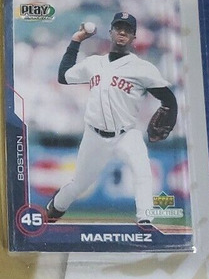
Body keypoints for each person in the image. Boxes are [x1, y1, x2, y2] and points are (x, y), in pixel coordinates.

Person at [46, 12, 177, 226]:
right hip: (94, 135)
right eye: (119, 28)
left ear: (134, 37)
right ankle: (52, 211)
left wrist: (171, 114)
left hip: (127, 133)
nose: (122, 32)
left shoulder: (143, 68)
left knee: (143, 173)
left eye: (128, 29)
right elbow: (63, 76)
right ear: (111, 32)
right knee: (79, 184)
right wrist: (76, 40)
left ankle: (146, 220)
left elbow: (168, 98)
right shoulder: (93, 63)